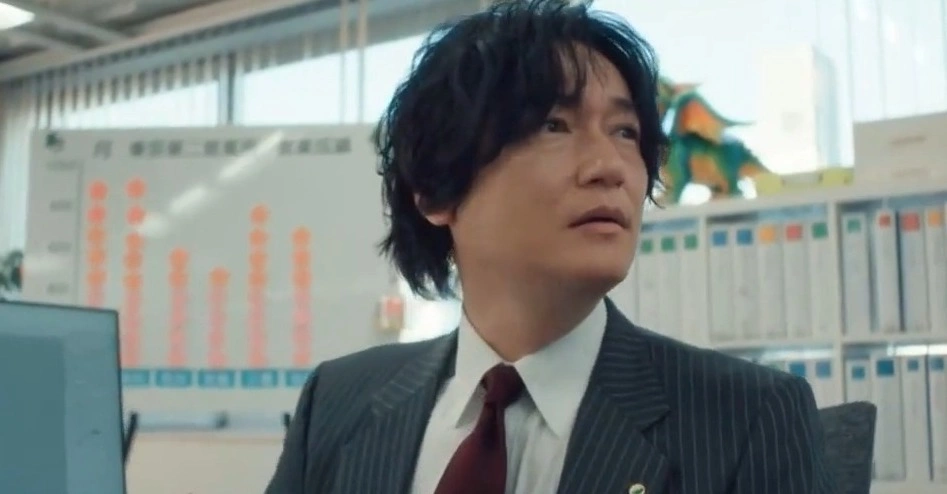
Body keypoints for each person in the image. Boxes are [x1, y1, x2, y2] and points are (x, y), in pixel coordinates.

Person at [265, 1, 837, 493]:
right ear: (437, 190)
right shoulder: (337, 402)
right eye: (554, 126)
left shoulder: (746, 418)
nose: (609, 166)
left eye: (626, 132)